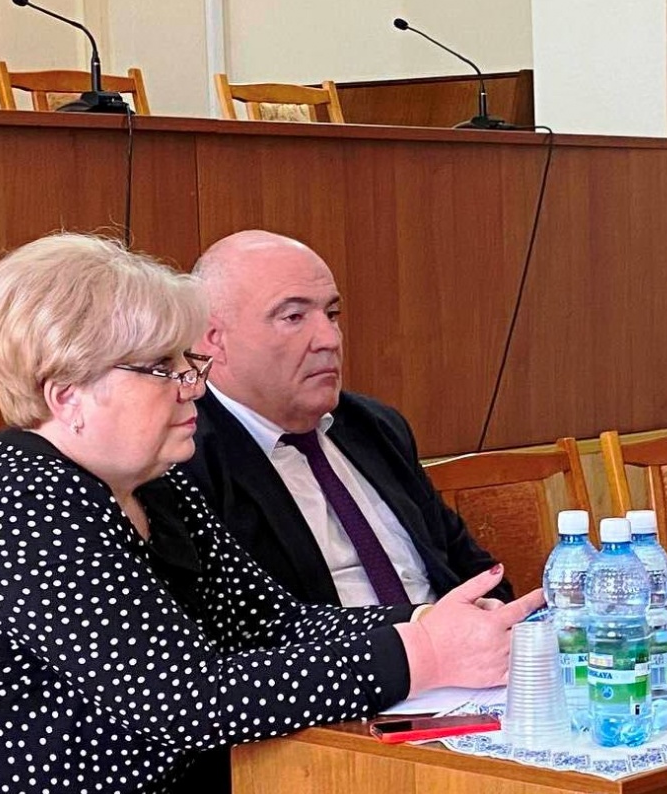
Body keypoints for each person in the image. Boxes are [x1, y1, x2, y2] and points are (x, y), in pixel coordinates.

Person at [0, 233, 541, 794]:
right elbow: (188, 701)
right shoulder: (19, 505)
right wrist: (414, 656)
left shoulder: (153, 483)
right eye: (162, 369)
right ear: (68, 393)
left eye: (189, 363)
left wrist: (428, 622)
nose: (194, 389)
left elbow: (272, 621)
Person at [183, 230, 513, 607]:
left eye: (332, 314)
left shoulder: (373, 426)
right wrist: (419, 634)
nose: (329, 339)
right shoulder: (188, 457)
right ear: (214, 339)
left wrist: (491, 612)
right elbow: (244, 630)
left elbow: (476, 571)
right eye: (293, 317)